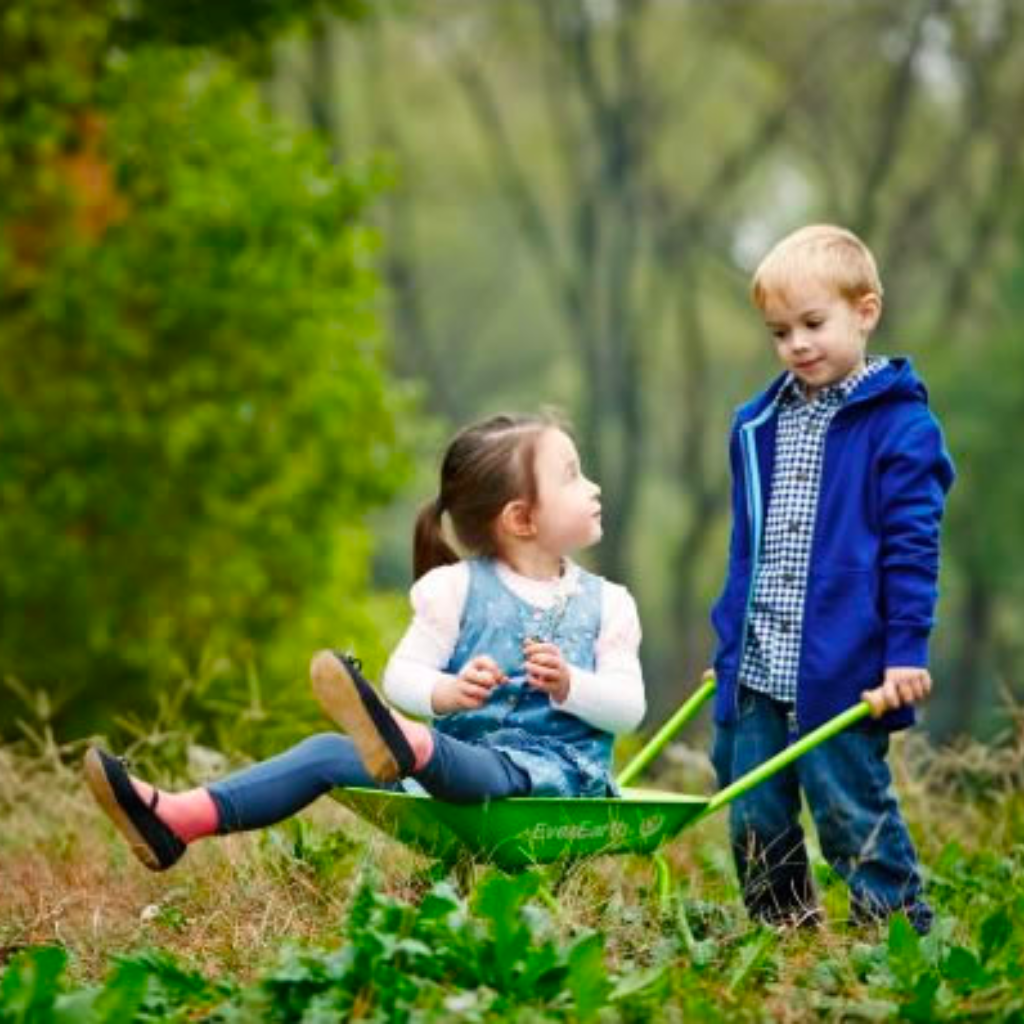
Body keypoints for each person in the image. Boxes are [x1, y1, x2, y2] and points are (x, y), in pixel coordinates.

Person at [84, 413, 646, 871]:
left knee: (484, 765)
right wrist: (448, 691)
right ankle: (178, 819)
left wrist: (571, 685)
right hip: (452, 779)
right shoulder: (453, 590)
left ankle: (410, 744)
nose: (592, 487)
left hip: (553, 787)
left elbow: (628, 708)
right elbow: (404, 675)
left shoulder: (609, 604)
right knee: (326, 752)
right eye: (572, 476)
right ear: (521, 519)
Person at [708, 224, 955, 934]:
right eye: (780, 332)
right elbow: (746, 551)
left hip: (844, 665)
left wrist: (905, 652)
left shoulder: (901, 428)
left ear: (865, 311)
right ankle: (784, 931)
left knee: (849, 809)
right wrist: (731, 643)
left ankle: (897, 936)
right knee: (751, 810)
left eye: (813, 324)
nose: (797, 344)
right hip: (759, 664)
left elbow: (913, 550)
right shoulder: (757, 424)